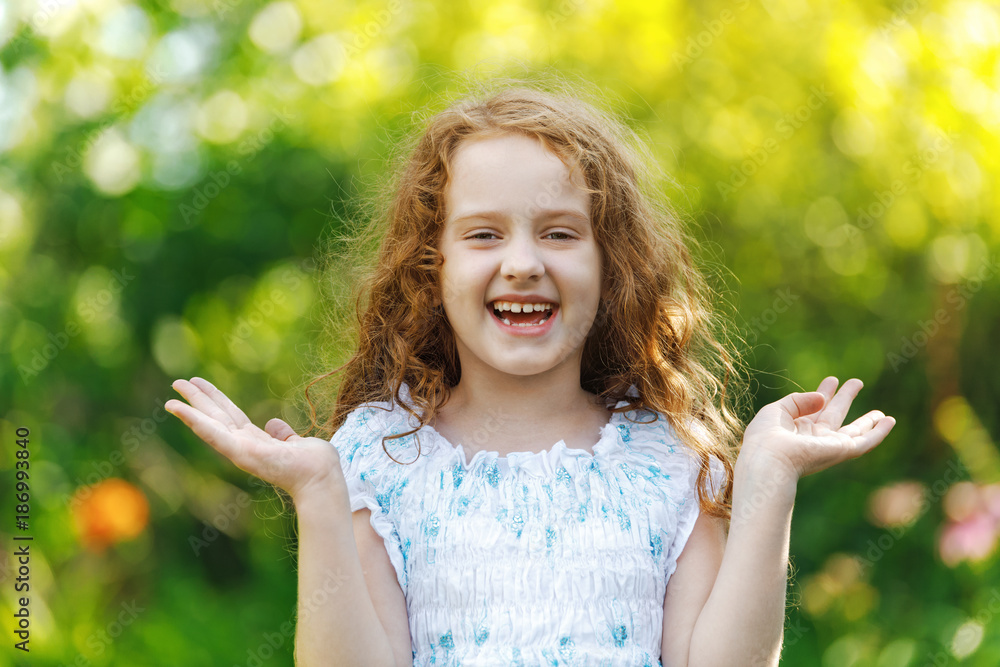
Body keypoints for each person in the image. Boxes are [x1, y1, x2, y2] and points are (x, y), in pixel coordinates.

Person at [164, 81, 896, 666]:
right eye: (484, 233)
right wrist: (318, 489)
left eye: (559, 232)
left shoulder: (667, 460)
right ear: (433, 265)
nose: (522, 261)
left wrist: (768, 473)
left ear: (613, 267)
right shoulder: (380, 455)